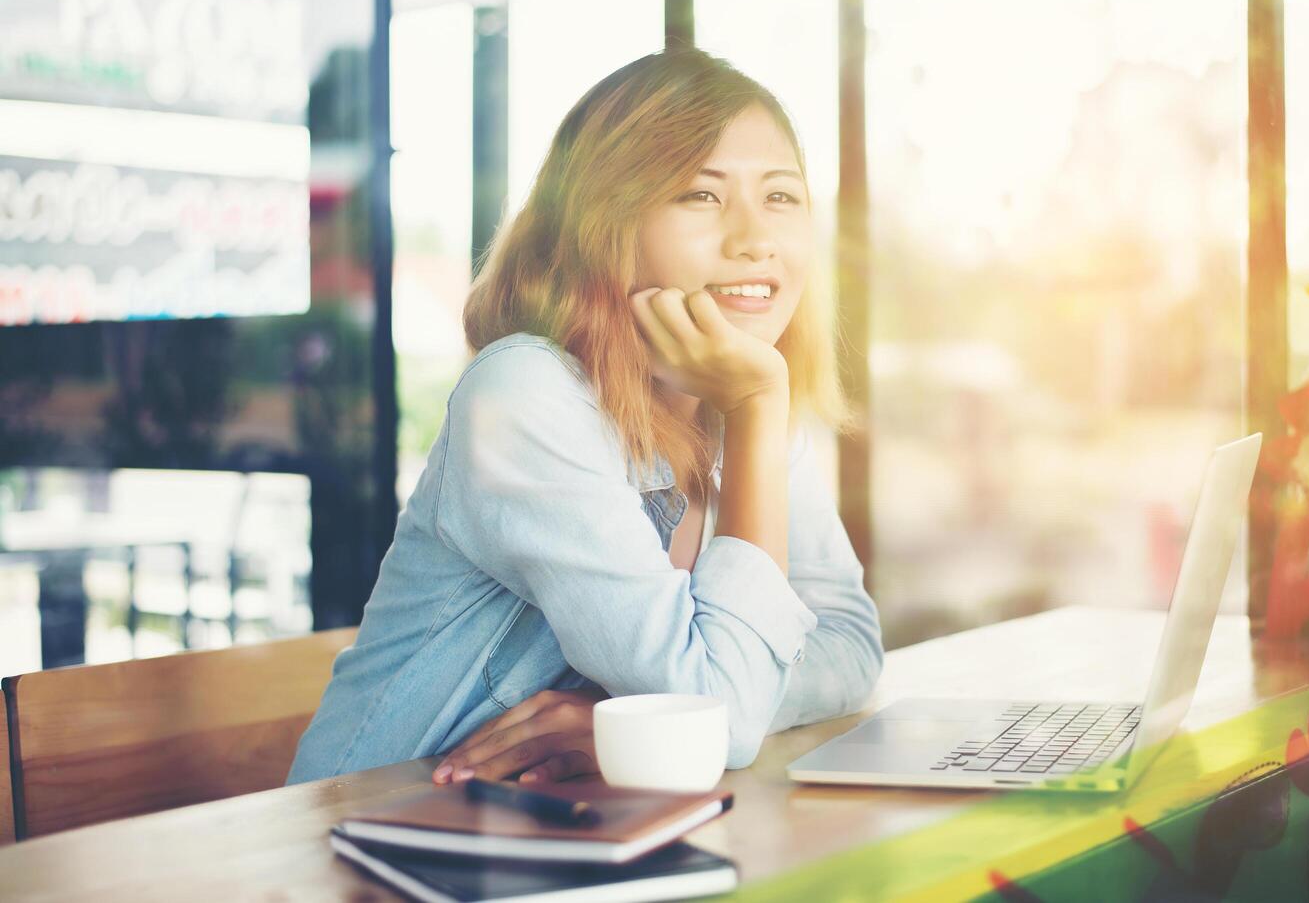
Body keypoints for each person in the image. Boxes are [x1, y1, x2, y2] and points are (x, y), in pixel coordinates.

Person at [286, 47, 882, 787]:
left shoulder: (743, 397)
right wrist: (682, 712)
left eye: (781, 198)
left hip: (558, 836)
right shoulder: (526, 393)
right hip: (374, 843)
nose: (753, 239)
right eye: (700, 196)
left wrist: (629, 717)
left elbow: (851, 648)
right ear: (608, 222)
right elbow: (721, 716)